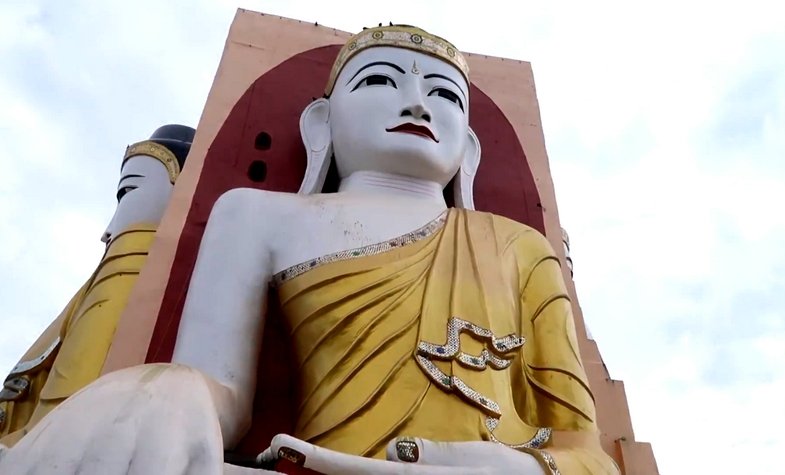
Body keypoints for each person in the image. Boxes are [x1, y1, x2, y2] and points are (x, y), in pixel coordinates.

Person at [0, 26, 618, 474]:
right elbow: (221, 399)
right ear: (320, 124)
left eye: (445, 95)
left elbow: (582, 449)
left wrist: (514, 467)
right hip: (318, 465)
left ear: (470, 149)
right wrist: (160, 396)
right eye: (379, 80)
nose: (417, 104)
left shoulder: (520, 247)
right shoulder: (257, 215)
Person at [0, 125, 195, 446]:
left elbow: (61, 418)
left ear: (184, 190)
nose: (106, 231)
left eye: (128, 192)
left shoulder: (136, 256)